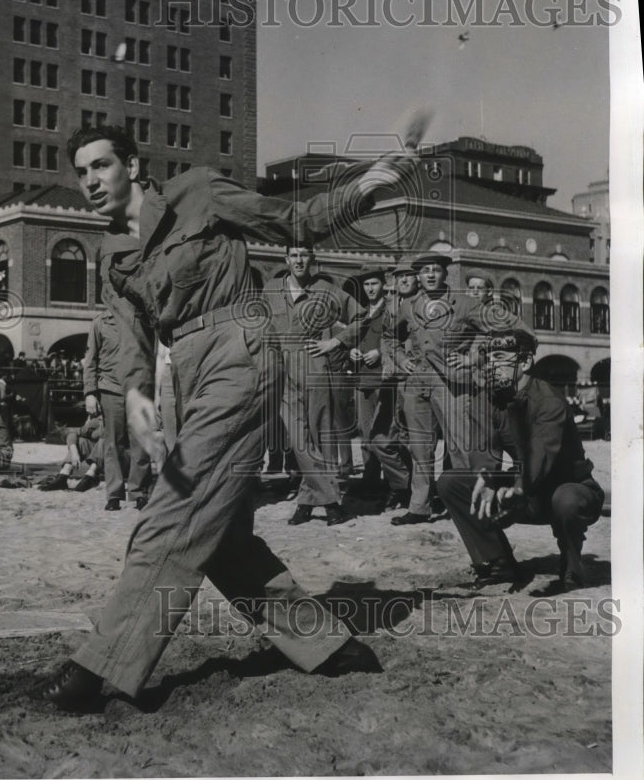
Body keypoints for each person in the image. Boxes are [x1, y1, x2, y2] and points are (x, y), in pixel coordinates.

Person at [34, 115, 429, 711]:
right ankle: (328, 647)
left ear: (133, 166)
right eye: (82, 171)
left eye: (101, 165)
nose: (90, 180)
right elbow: (134, 343)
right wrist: (142, 408)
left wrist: (369, 182)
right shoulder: (113, 253)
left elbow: (296, 222)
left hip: (243, 352)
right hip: (190, 375)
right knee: (217, 534)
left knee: (169, 515)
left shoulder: (198, 192)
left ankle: (100, 669)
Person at [437, 329, 606, 593]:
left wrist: (517, 490)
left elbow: (540, 453)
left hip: (569, 488)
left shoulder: (549, 400)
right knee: (452, 482)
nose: (491, 365)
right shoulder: (487, 399)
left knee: (567, 499)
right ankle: (498, 561)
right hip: (525, 491)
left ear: (525, 362)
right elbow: (485, 449)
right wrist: (487, 478)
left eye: (500, 357)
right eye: (488, 358)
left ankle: (572, 566)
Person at [387, 253, 520, 526]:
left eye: (436, 270)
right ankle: (419, 507)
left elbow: (501, 329)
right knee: (419, 448)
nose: (431, 275)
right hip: (417, 384)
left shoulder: (465, 304)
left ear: (446, 274)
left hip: (451, 385)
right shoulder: (408, 306)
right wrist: (400, 359)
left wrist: (473, 357)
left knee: (460, 448)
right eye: (425, 271)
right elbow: (391, 337)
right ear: (418, 276)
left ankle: (465, 503)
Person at [263, 246, 358, 527]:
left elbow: (362, 316)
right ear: (286, 260)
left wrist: (336, 342)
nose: (299, 260)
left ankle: (306, 502)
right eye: (294, 255)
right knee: (299, 441)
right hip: (282, 370)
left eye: (304, 255)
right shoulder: (270, 290)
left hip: (315, 367)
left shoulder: (326, 289)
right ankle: (330, 501)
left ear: (312, 259)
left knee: (321, 438)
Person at [336, 264, 410, 503]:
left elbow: (402, 341)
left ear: (382, 284)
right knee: (366, 436)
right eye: (366, 284)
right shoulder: (360, 315)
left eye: (374, 283)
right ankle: (370, 482)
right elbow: (348, 343)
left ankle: (397, 484)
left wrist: (379, 352)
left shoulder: (393, 313)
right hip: (362, 380)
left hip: (384, 380)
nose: (370, 288)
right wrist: (353, 352)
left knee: (387, 435)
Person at [82, 309, 152, 511]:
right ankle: (114, 494)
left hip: (138, 390)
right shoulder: (100, 322)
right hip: (110, 390)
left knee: (140, 443)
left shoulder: (144, 319)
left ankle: (140, 493)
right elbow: (91, 360)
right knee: (112, 444)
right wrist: (90, 392)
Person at [37, 415, 106, 492]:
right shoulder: (100, 420)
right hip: (102, 457)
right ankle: (63, 476)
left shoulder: (118, 420)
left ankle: (91, 476)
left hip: (115, 461)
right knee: (81, 441)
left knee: (106, 440)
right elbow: (73, 433)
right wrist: (74, 452)